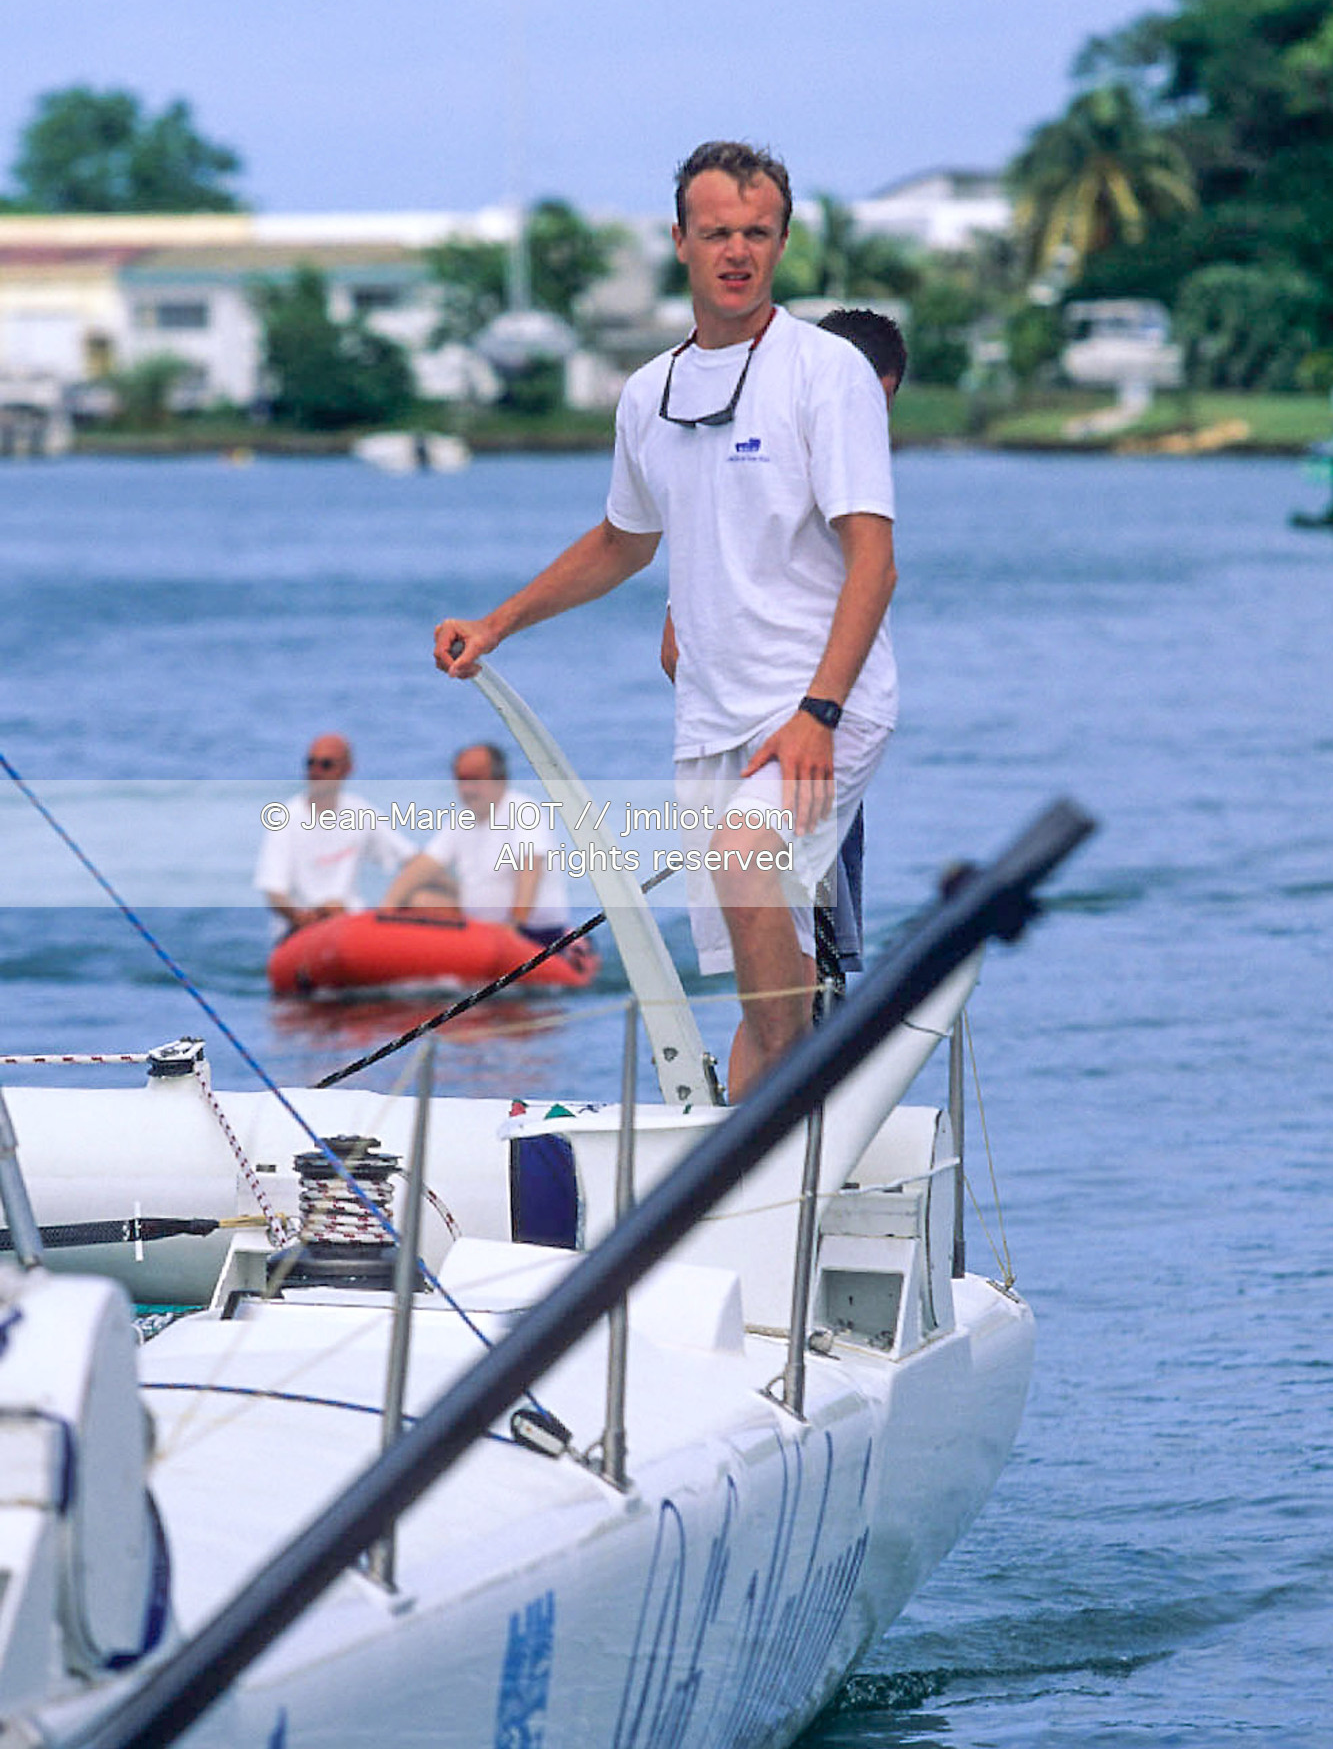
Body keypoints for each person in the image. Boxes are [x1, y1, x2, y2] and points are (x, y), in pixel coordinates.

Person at [433, 139, 898, 1098]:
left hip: (818, 711)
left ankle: (785, 1113)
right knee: (760, 988)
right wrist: (498, 623)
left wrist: (819, 712)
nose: (738, 251)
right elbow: (621, 541)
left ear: (783, 242)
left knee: (744, 867)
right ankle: (750, 1145)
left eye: (758, 233)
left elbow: (874, 561)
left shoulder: (828, 372)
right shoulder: (648, 394)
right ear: (681, 240)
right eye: (718, 232)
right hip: (712, 720)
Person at [658, 304, 906, 979]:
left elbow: (678, 651)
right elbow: (677, 647)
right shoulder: (779, 477)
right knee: (799, 973)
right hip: (793, 751)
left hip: (788, 750)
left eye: (875, 408)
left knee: (802, 972)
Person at [382, 742, 571, 942]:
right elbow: (425, 865)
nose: (467, 789)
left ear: (499, 781)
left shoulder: (523, 811)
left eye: (475, 780)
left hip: (531, 933)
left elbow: (530, 869)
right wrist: (388, 906)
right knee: (420, 900)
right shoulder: (461, 820)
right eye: (462, 780)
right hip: (480, 930)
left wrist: (515, 923)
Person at [254, 732, 413, 934]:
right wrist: (300, 917)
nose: (316, 771)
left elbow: (410, 858)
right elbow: (274, 891)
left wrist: (397, 901)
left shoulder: (359, 812)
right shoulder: (286, 818)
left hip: (348, 920)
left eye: (326, 765)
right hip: (302, 928)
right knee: (333, 910)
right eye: (310, 763)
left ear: (347, 769)